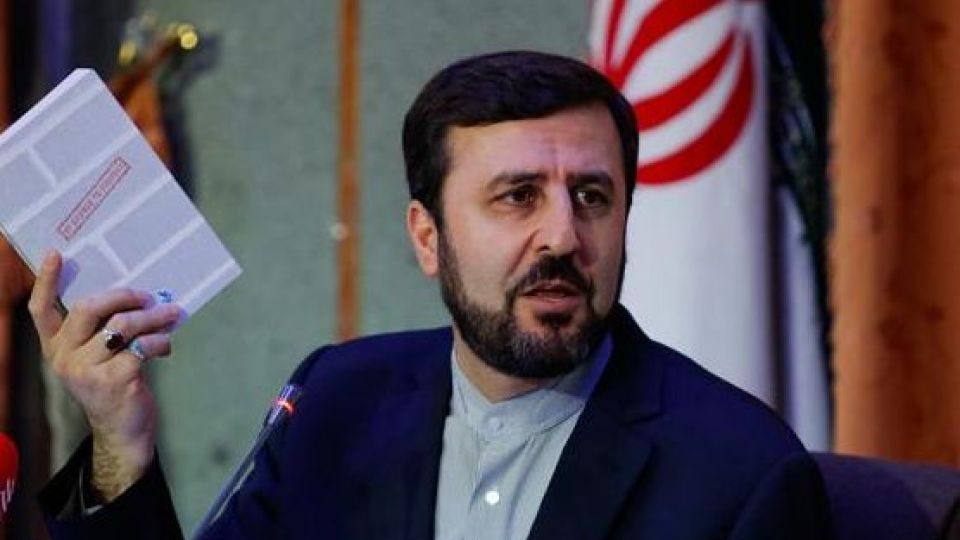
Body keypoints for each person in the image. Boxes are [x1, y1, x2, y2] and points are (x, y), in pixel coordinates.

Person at [34, 51, 833, 539]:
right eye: (518, 196)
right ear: (427, 237)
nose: (562, 236)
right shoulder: (336, 400)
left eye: (592, 196)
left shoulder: (740, 472)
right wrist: (117, 445)